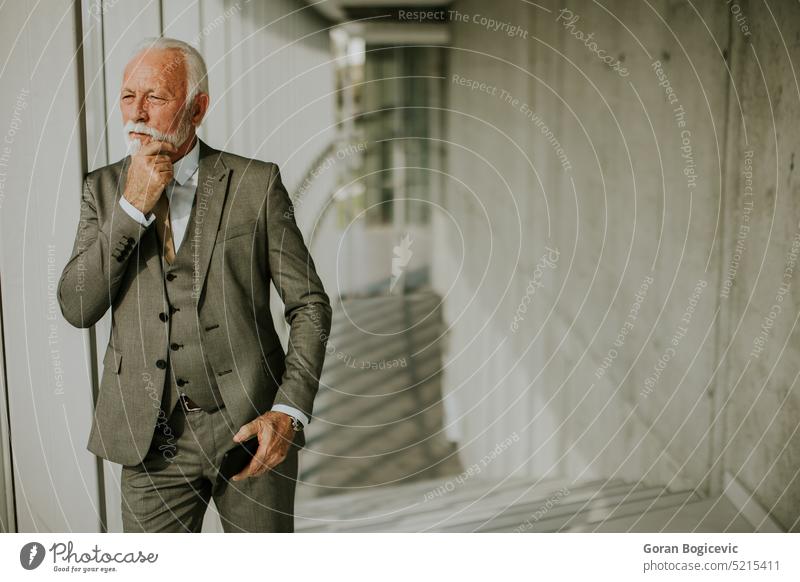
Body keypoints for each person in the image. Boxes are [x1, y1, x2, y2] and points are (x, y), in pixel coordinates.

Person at [57, 37, 331, 532]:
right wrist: (130, 209)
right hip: (149, 441)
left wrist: (288, 412)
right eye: (127, 97)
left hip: (250, 429)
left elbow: (309, 304)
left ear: (197, 107)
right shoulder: (100, 190)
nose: (136, 113)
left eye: (155, 98)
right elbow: (77, 306)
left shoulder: (255, 184)